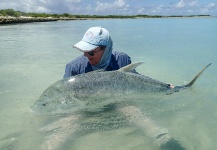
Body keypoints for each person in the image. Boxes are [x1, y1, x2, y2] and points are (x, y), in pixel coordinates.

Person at [63, 26, 132, 78]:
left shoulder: (123, 60)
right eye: (84, 50)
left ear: (106, 49)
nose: (85, 55)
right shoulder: (73, 68)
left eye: (91, 51)